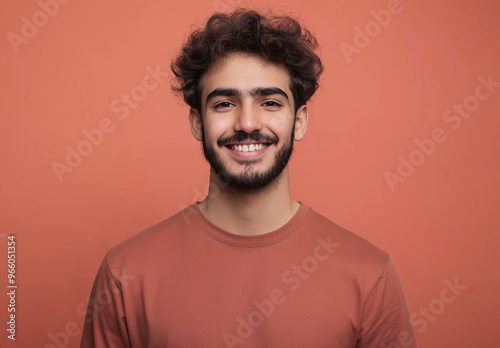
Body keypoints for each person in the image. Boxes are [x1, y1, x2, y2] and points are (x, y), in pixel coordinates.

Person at [80, 9, 417, 348]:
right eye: (225, 103)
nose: (247, 123)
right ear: (197, 123)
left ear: (299, 121)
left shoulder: (369, 275)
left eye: (269, 102)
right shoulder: (125, 274)